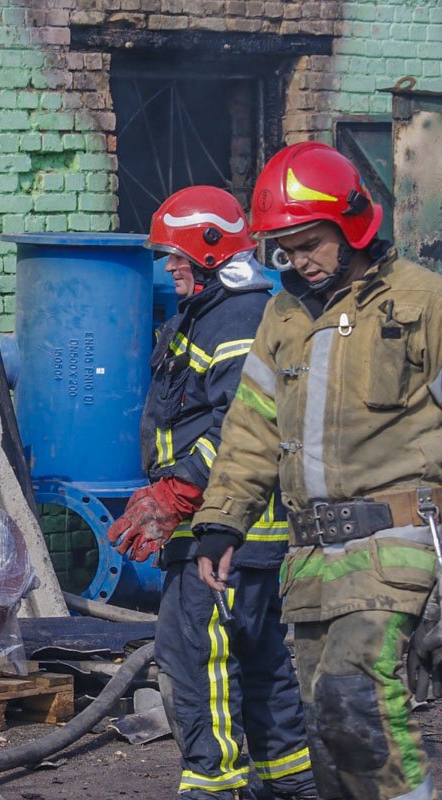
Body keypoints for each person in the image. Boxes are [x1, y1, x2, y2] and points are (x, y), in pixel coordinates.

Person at [191, 141, 442, 800]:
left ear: (352, 224)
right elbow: (250, 427)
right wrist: (220, 522)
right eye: (286, 249)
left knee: (355, 698)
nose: (299, 261)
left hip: (398, 546)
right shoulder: (283, 315)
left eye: (311, 243)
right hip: (312, 562)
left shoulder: (424, 302)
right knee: (329, 731)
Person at [108, 185, 316, 800]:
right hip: (239, 525)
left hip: (223, 524)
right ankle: (288, 780)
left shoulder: (233, 317)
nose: (169, 269)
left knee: (198, 654)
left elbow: (239, 420)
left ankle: (214, 784)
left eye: (177, 257)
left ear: (211, 250)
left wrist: (178, 491)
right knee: (259, 658)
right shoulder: (225, 311)